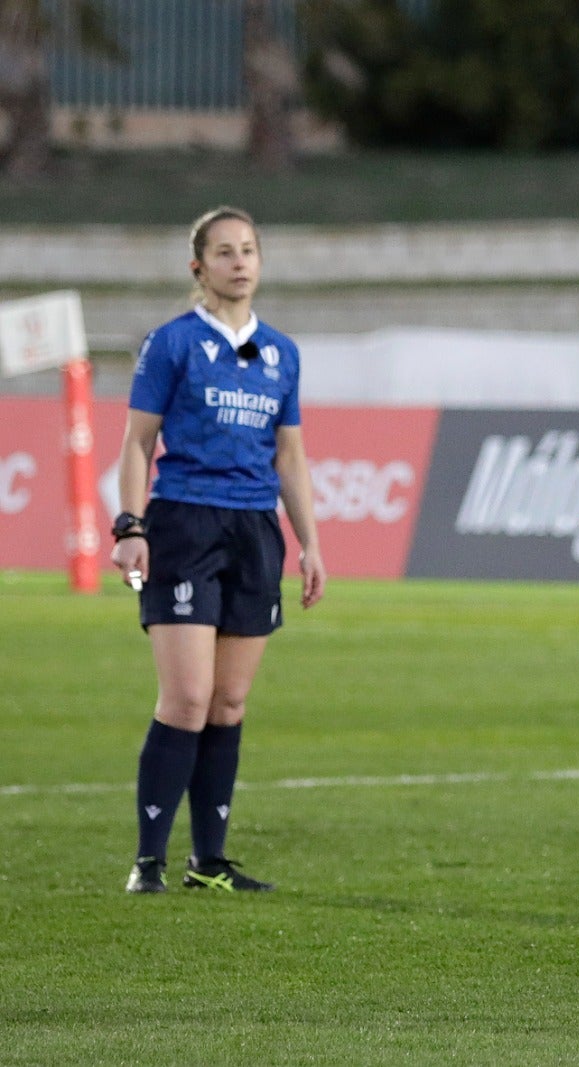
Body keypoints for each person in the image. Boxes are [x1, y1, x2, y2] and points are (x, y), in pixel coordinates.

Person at [111, 206, 325, 894]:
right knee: (186, 696)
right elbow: (138, 442)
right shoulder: (172, 343)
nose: (240, 262)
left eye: (249, 250)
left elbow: (289, 456)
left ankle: (209, 861)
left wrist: (309, 542)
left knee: (228, 702)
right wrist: (130, 526)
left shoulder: (282, 353)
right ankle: (149, 860)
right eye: (225, 252)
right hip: (184, 524)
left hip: (254, 529)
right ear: (198, 267)